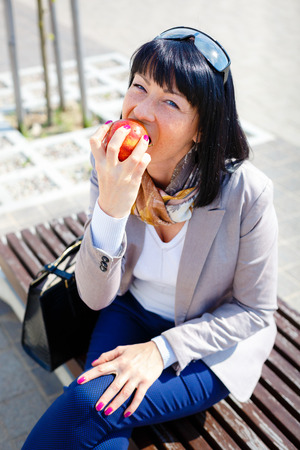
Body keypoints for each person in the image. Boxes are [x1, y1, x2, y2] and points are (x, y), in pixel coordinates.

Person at [22, 26, 278, 449]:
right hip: (130, 311)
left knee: (91, 402)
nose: (140, 110)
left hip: (208, 346)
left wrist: (161, 350)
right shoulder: (112, 161)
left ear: (201, 128)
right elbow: (95, 296)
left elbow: (254, 311)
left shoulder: (246, 193)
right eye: (139, 87)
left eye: (170, 102)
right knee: (102, 416)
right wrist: (111, 206)